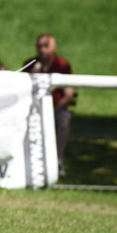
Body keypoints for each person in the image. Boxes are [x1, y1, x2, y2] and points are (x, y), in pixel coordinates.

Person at [20, 33, 75, 174]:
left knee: (64, 121)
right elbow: (21, 92)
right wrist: (31, 78)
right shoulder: (30, 64)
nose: (42, 50)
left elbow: (69, 95)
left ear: (54, 47)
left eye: (46, 46)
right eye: (39, 46)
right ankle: (23, 161)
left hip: (57, 109)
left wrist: (53, 111)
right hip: (31, 108)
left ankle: (58, 161)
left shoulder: (62, 65)